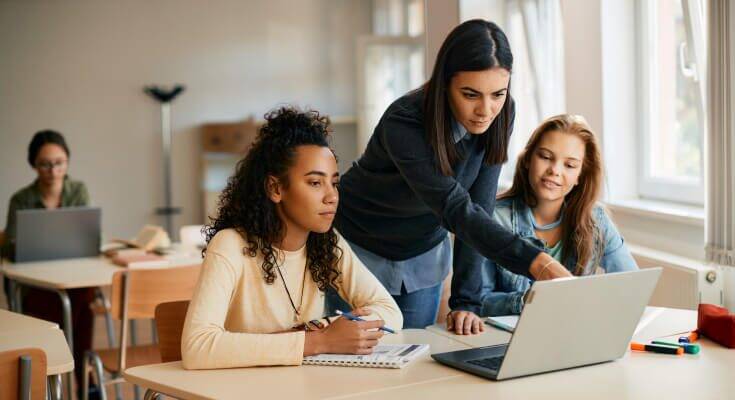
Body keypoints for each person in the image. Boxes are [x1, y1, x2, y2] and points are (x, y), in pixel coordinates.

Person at [329, 19, 571, 335]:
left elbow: (478, 207)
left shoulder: (501, 113)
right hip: (358, 248)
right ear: (445, 84)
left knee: (412, 365)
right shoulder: (404, 122)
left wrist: (466, 302)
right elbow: (455, 208)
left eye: (497, 93)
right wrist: (538, 262)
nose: (486, 109)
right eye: (470, 94)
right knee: (350, 366)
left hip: (422, 254)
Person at [181, 107, 403, 369]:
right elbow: (197, 347)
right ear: (275, 188)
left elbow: (390, 312)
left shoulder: (326, 241)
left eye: (334, 182)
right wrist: (318, 341)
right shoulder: (230, 245)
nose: (332, 196)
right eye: (314, 183)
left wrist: (318, 330)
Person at [469, 114, 638, 316]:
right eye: (546, 157)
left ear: (580, 176)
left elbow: (632, 285)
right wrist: (528, 300)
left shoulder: (596, 219)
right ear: (527, 160)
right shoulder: (492, 218)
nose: (555, 171)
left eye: (570, 165)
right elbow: (477, 302)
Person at [2, 130, 99, 398]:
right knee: (79, 307)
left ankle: (66, 375)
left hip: (73, 278)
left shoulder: (78, 190)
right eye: (46, 163)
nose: (53, 170)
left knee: (80, 300)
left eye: (59, 162)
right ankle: (80, 377)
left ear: (67, 161)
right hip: (36, 284)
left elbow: (91, 237)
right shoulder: (21, 199)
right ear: (34, 164)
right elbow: (9, 246)